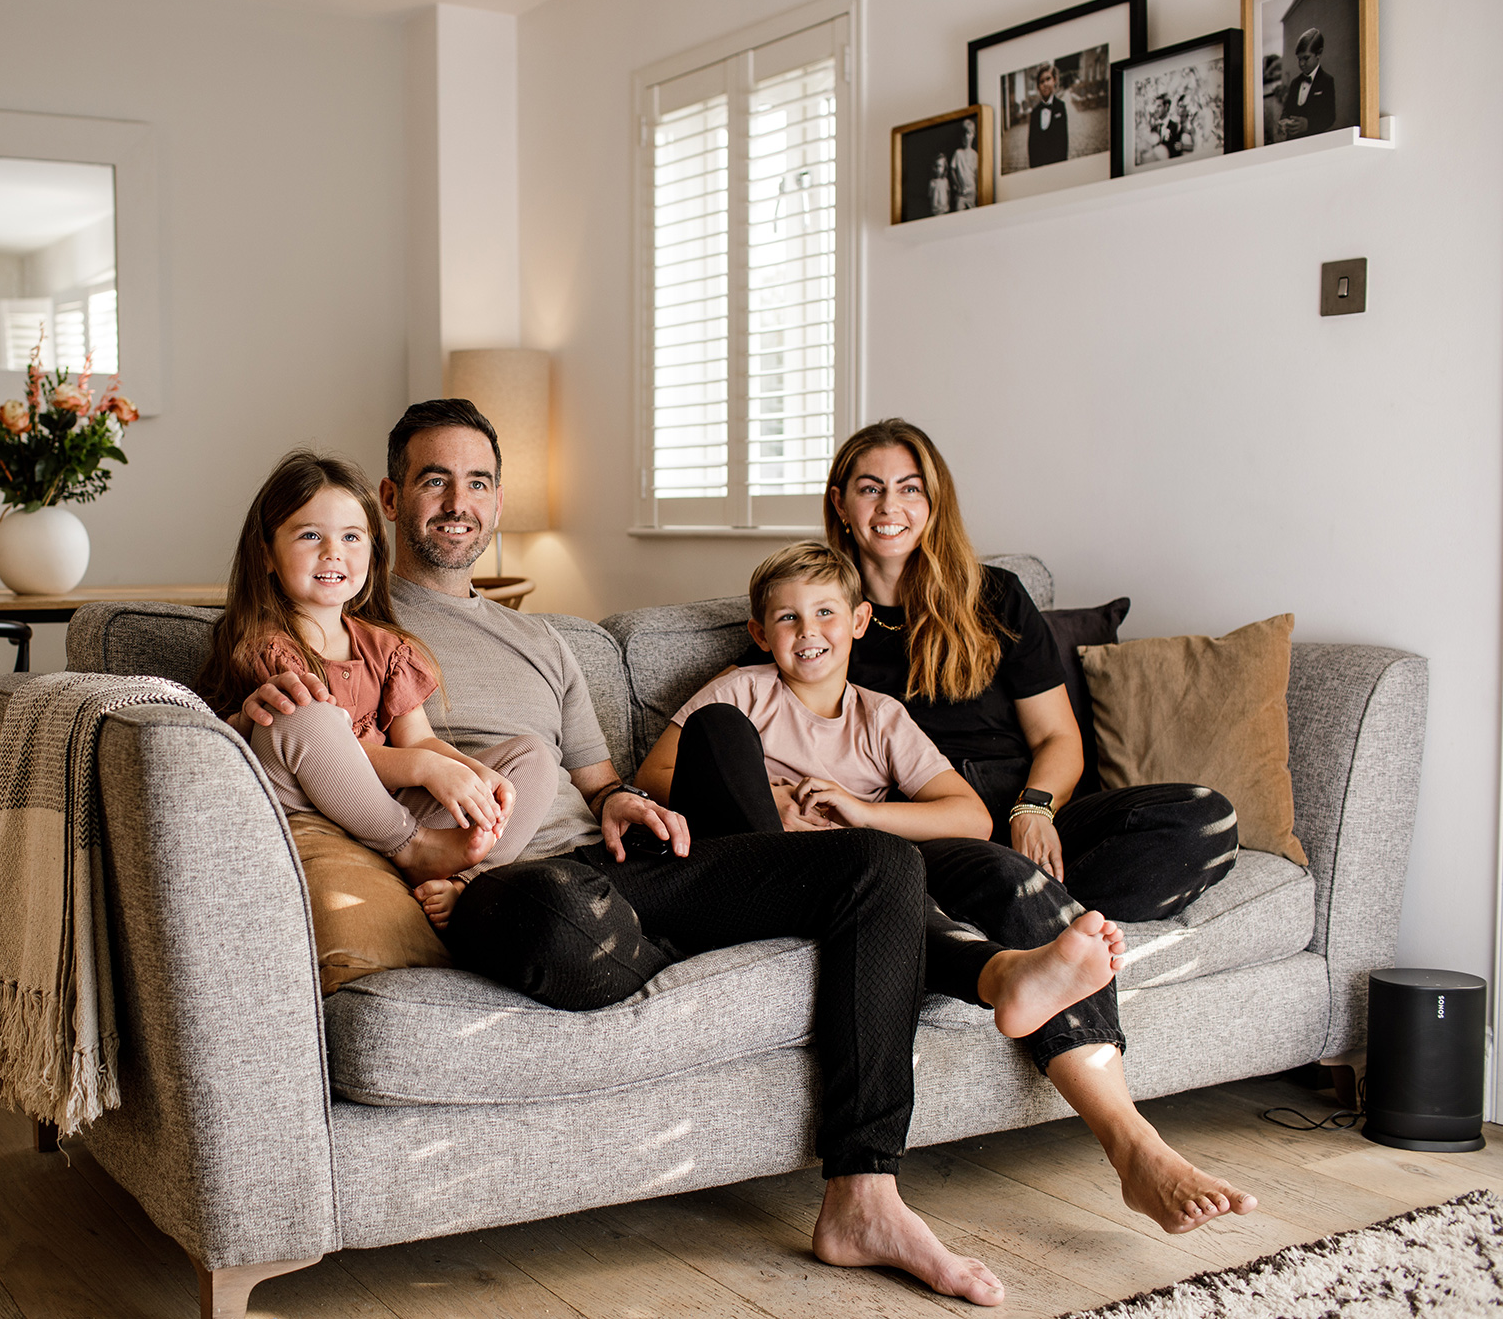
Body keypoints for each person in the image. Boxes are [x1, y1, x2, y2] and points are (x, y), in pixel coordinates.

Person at [238, 401, 1140, 1306]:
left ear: (498, 499)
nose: (457, 502)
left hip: (624, 869)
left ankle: (863, 1192)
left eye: (477, 481)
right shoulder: (350, 619)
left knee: (878, 862)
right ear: (391, 498)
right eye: (434, 480)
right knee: (564, 920)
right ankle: (927, 968)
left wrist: (626, 797)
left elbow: (600, 781)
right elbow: (300, 747)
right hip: (501, 880)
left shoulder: (543, 639)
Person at [821, 417, 1258, 1234]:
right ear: (841, 503)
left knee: (1206, 821)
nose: (891, 505)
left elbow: (1058, 739)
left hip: (1028, 808)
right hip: (932, 827)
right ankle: (1132, 1145)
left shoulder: (995, 597)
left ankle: (1036, 917)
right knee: (1010, 882)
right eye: (870, 487)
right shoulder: (828, 617)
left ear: (934, 499)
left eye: (909, 487)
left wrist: (1036, 807)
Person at [635, 540, 1126, 1043]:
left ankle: (1010, 976)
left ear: (859, 621)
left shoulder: (882, 717)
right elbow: (653, 777)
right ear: (760, 634)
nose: (808, 632)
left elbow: (972, 819)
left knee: (904, 894)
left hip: (849, 875)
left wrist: (864, 812)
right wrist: (767, 799)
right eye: (788, 618)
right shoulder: (740, 691)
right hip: (755, 869)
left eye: (826, 612)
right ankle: (1004, 976)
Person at [198, 449, 562, 916]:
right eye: (311, 535)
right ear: (266, 553)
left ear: (373, 550)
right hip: (316, 805)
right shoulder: (265, 646)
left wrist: (469, 773)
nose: (333, 552)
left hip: (391, 805)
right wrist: (426, 771)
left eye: (352, 537)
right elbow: (344, 751)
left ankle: (465, 880)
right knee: (302, 713)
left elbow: (421, 742)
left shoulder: (387, 648)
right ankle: (413, 848)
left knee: (534, 757)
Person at [1277, 27, 1336, 140]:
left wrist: (1308, 124)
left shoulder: (1326, 81)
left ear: (1318, 54)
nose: (1301, 63)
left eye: (1306, 58)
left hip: (1314, 143)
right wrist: (1283, 121)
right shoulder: (1295, 83)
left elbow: (1330, 117)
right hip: (1292, 143)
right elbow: (1287, 109)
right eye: (1299, 59)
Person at [1026, 63, 1069, 167]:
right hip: (1040, 163)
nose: (1045, 84)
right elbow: (1031, 144)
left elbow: (1064, 140)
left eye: (1048, 79)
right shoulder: (1035, 113)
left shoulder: (1060, 107)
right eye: (1041, 82)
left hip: (1057, 162)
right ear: (1038, 87)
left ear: (1054, 80)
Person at [949, 118, 980, 210]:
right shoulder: (958, 153)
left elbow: (977, 173)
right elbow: (952, 169)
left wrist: (978, 190)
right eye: (965, 134)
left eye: (969, 133)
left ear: (973, 135)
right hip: (961, 192)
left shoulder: (975, 155)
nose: (967, 137)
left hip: (972, 191)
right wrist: (957, 184)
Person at [927, 153, 951, 218]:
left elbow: (948, 194)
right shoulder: (932, 182)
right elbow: (930, 197)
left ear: (944, 168)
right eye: (936, 166)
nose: (938, 169)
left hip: (944, 210)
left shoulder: (945, 181)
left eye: (940, 166)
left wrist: (947, 207)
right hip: (935, 211)